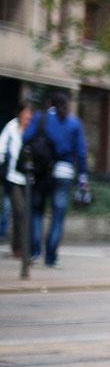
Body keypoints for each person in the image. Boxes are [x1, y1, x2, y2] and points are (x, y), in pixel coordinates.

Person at [22, 92, 88, 268]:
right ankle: (51, 258)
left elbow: (25, 138)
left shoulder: (40, 118)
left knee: (36, 212)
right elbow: (81, 153)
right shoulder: (74, 123)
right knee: (58, 217)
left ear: (50, 103)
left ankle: (35, 253)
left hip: (42, 171)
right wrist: (83, 176)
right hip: (64, 173)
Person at [1, 100, 33, 255]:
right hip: (13, 176)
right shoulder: (11, 127)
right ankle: (19, 248)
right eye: (26, 112)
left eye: (30, 113)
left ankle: (18, 246)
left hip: (29, 178)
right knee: (19, 210)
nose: (28, 115)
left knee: (24, 212)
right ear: (20, 113)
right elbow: (1, 147)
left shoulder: (32, 129)